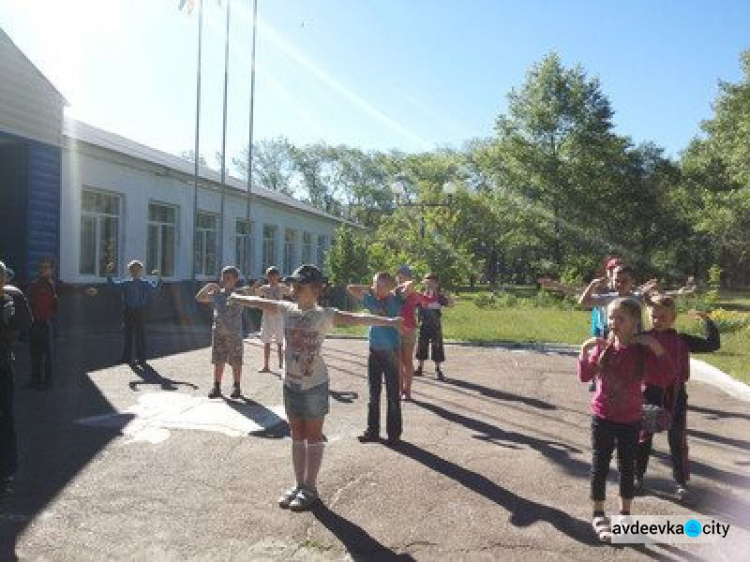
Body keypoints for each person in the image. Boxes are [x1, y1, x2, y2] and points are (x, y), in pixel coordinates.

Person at [230, 264, 402, 512]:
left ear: (314, 289)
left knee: (312, 437)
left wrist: (389, 321)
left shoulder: (324, 314)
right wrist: (236, 296)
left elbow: (357, 318)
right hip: (290, 384)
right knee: (296, 437)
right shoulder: (286, 309)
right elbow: (261, 304)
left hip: (314, 386)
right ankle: (299, 484)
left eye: (299, 285)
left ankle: (310, 487)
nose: (294, 289)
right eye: (294, 285)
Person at [577, 298, 669, 543]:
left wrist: (655, 346)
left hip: (631, 419)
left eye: (620, 318)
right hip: (602, 417)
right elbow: (586, 377)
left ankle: (624, 517)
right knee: (600, 466)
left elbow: (667, 375)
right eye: (611, 318)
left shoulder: (641, 352)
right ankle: (598, 515)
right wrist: (584, 352)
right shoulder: (603, 347)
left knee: (627, 469)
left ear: (635, 322)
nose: (613, 323)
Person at [635, 294, 720, 500]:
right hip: (650, 392)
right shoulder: (644, 338)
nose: (658, 321)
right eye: (654, 316)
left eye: (663, 317)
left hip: (676, 395)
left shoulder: (682, 340)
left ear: (673, 318)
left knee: (677, 439)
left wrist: (708, 321)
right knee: (643, 437)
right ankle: (637, 476)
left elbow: (712, 344)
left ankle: (681, 483)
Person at [348, 272, 404, 444]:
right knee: (374, 394)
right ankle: (372, 431)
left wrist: (392, 289)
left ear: (389, 286)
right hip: (375, 352)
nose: (377, 289)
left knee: (393, 395)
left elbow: (409, 285)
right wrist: (371, 287)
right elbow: (350, 289)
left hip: (392, 352)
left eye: (381, 286)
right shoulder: (372, 300)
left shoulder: (395, 300)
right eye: (375, 285)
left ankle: (394, 435)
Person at [0, 261, 33, 499]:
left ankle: (7, 471)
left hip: (2, 364)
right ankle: (7, 471)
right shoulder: (12, 297)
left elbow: (24, 324)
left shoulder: (10, 299)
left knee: (4, 416)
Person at [196, 266, 253, 399]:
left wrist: (248, 290)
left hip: (234, 334)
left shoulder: (240, 294)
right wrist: (209, 285)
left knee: (236, 361)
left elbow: (254, 298)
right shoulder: (217, 294)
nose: (224, 280)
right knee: (218, 360)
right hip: (219, 334)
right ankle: (216, 387)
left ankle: (236, 386)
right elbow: (199, 298)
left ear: (235, 279)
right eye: (223, 277)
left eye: (228, 278)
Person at [106, 260, 162, 365]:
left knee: (140, 335)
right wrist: (108, 274)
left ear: (141, 271)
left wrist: (159, 277)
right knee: (128, 335)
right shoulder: (126, 283)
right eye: (133, 270)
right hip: (128, 311)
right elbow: (113, 286)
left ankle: (141, 359)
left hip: (140, 311)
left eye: (137, 270)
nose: (135, 272)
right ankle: (126, 358)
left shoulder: (145, 283)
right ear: (129, 272)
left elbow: (155, 290)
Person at [25, 258, 60, 390]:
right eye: (40, 267)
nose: (42, 270)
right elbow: (29, 302)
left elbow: (67, 291)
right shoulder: (34, 284)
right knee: (35, 353)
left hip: (46, 323)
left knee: (48, 354)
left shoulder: (53, 285)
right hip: (34, 324)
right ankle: (35, 380)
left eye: (46, 267)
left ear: (51, 270)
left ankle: (48, 382)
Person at [415, 272, 452, 380]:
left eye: (431, 283)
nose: (429, 285)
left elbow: (450, 304)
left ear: (436, 283)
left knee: (437, 346)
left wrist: (448, 297)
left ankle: (438, 369)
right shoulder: (421, 295)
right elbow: (413, 305)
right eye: (427, 283)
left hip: (435, 326)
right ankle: (420, 368)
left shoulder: (439, 296)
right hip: (423, 325)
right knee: (421, 346)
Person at [256, 266, 292, 373]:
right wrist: (256, 287)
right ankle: (266, 366)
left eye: (274, 276)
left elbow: (291, 293)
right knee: (266, 342)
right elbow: (256, 295)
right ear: (267, 276)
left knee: (280, 343)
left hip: (279, 318)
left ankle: (281, 365)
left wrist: (291, 285)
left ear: (278, 276)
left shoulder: (282, 287)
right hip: (267, 317)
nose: (272, 278)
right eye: (269, 276)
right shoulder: (265, 288)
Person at [394, 265, 421, 401]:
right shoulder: (394, 291)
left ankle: (407, 390)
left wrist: (404, 284)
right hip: (395, 329)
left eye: (402, 275)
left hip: (409, 329)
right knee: (397, 362)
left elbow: (409, 287)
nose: (399, 277)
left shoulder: (412, 292)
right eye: (398, 275)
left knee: (407, 361)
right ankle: (399, 390)